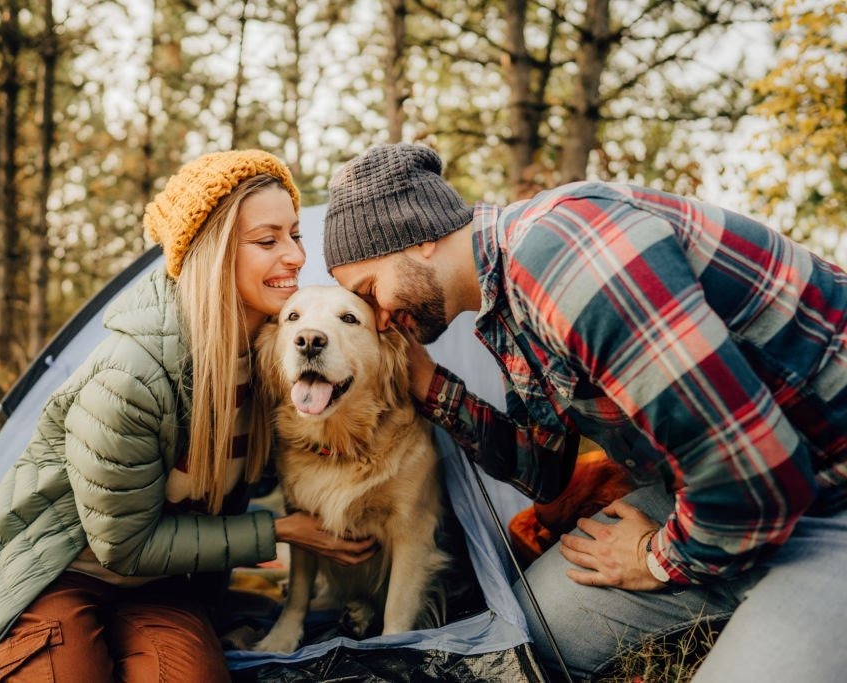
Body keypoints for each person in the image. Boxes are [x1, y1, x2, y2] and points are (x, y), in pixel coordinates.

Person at [322, 142, 847, 681]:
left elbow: (754, 472)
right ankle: (727, 571)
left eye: (369, 290)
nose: (380, 319)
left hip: (822, 492)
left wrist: (653, 557)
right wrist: (432, 386)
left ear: (419, 237)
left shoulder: (563, 252)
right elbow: (543, 472)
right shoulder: (506, 306)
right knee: (534, 628)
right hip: (719, 495)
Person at [0, 150, 378, 683]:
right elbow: (124, 546)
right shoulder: (132, 374)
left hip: (163, 585)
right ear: (212, 253)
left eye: (295, 235)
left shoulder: (270, 360)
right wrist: (281, 531)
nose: (297, 256)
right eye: (267, 240)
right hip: (55, 574)